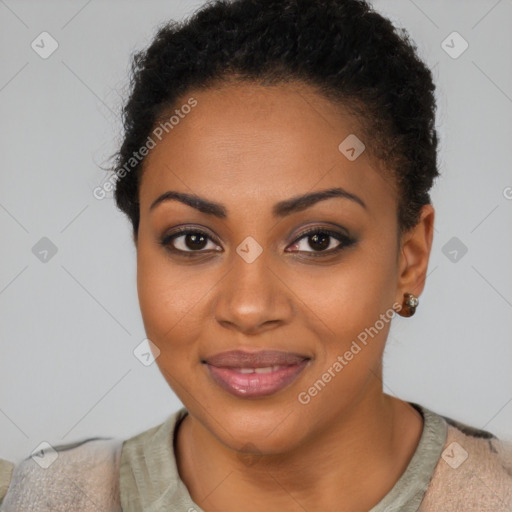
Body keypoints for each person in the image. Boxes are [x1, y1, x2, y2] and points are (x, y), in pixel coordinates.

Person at [1, 0, 511, 510]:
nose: (248, 308)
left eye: (317, 240)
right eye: (193, 240)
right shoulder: (49, 495)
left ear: (410, 258)